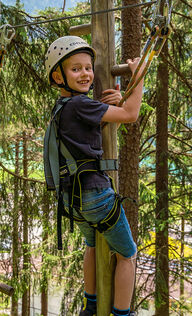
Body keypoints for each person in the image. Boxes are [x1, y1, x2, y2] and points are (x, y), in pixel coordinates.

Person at [44, 36, 144, 316]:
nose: (86, 74)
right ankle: (122, 314)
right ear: (58, 75)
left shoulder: (64, 107)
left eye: (88, 67)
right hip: (95, 195)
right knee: (127, 255)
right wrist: (138, 78)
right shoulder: (80, 105)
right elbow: (131, 114)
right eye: (76, 69)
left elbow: (98, 121)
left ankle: (90, 305)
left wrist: (119, 98)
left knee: (91, 245)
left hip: (74, 200)